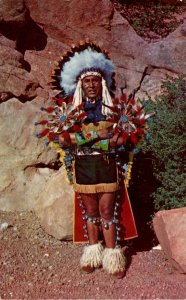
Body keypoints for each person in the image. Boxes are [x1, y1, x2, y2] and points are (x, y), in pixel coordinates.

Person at [36, 41, 143, 278]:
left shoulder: (113, 109)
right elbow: (64, 140)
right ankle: (92, 253)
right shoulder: (70, 112)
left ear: (102, 82)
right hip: (83, 167)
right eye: (87, 81)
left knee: (107, 211)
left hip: (106, 167)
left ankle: (113, 256)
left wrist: (85, 138)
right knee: (90, 211)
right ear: (80, 84)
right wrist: (97, 134)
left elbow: (119, 140)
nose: (91, 85)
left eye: (95, 80)